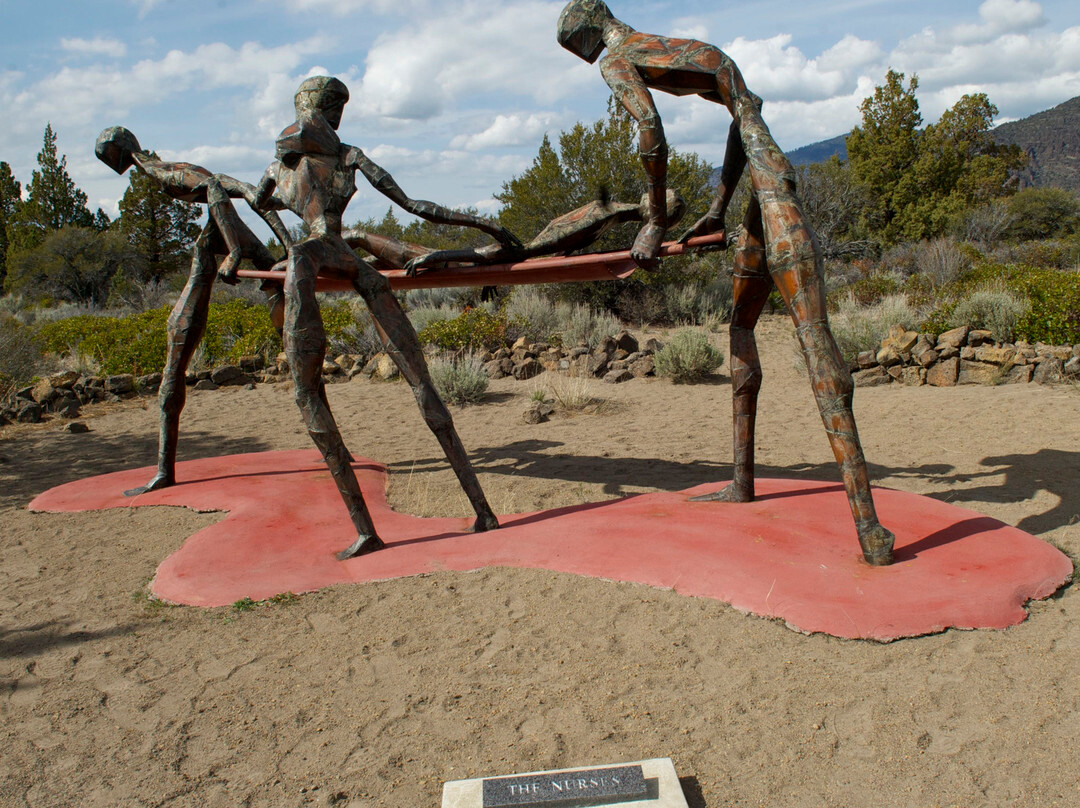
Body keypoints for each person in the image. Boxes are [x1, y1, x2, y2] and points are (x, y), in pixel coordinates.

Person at [557, 0, 895, 565]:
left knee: (815, 342)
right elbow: (746, 118)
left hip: (774, 195)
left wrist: (656, 222)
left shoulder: (619, 59)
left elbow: (650, 130)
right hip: (765, 188)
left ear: (587, 33)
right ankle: (742, 480)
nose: (583, 55)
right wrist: (717, 207)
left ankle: (869, 527)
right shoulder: (679, 49)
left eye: (576, 47)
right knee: (740, 323)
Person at [253, 76, 508, 560]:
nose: (333, 118)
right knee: (419, 383)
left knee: (339, 390)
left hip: (319, 255)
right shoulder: (340, 156)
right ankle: (480, 510)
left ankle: (392, 526)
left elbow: (263, 199)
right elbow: (415, 206)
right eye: (333, 108)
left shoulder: (305, 160)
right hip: (345, 259)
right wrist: (477, 228)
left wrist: (476, 233)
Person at [95, 126, 291, 497]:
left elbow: (218, 188)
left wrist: (234, 250)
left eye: (105, 155)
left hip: (217, 247)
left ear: (117, 150)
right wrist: (282, 244)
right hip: (217, 241)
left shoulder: (160, 171)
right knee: (243, 263)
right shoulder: (169, 171)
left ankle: (163, 470)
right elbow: (239, 190)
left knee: (174, 365)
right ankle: (163, 468)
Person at [401, 189, 686, 274]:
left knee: (501, 254)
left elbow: (564, 240)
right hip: (530, 247)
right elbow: (555, 235)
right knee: (498, 252)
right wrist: (520, 258)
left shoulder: (616, 213)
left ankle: (436, 258)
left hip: (536, 249)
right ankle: (433, 257)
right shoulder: (610, 213)